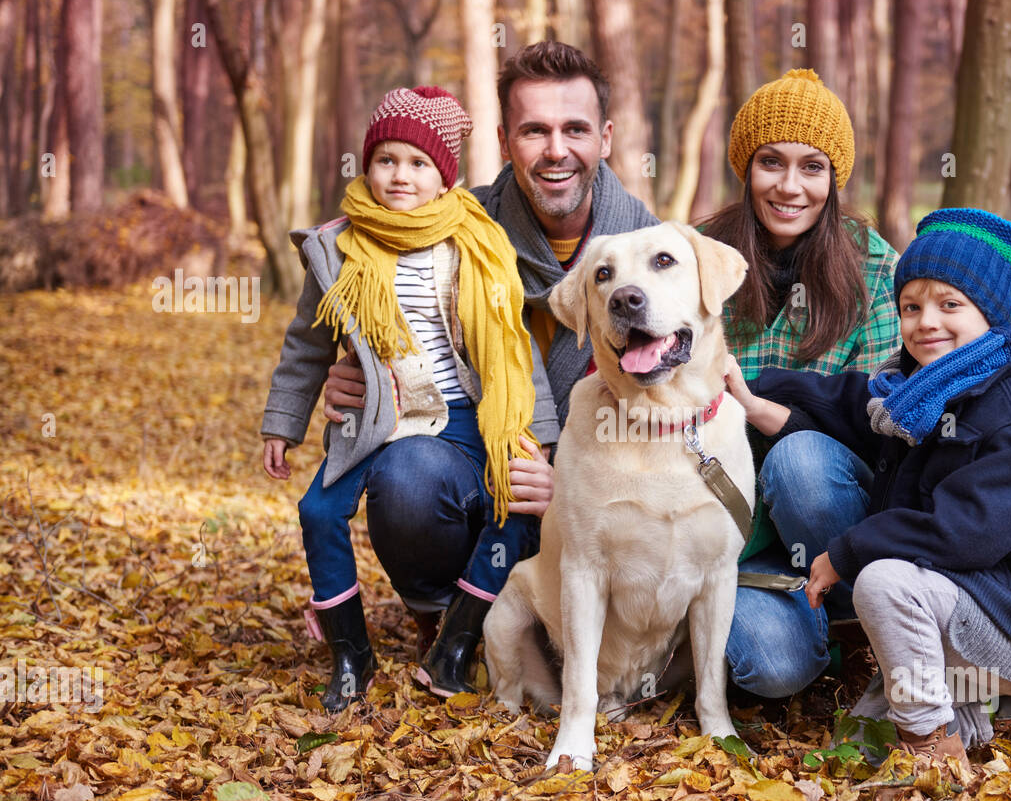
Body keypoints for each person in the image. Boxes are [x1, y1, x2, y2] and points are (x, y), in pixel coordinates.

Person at [320, 43, 658, 695]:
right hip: (478, 476)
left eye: (575, 129)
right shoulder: (446, 230)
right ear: (505, 140)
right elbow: (382, 314)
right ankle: (447, 616)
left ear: (607, 138)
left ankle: (580, 629)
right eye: (535, 130)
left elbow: (672, 419)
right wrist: (357, 372)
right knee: (408, 475)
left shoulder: (650, 251)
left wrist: (566, 475)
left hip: (599, 503)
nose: (555, 149)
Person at [727, 208, 1011, 767]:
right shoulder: (918, 394)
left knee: (881, 582)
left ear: (991, 316)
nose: (927, 321)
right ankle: (993, 707)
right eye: (911, 306)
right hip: (960, 603)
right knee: (856, 742)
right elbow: (845, 402)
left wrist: (845, 552)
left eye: (951, 305)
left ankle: (935, 748)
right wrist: (753, 392)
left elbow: (965, 533)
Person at [260, 85, 544, 711]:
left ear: (446, 177)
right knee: (318, 512)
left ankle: (458, 641)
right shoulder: (338, 247)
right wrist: (284, 422)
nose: (400, 176)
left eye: (419, 164)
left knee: (514, 504)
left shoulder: (476, 242)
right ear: (366, 165)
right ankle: (349, 654)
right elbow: (307, 344)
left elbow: (511, 345)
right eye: (386, 160)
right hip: (377, 414)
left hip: (465, 412)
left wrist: (538, 439)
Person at [705, 69, 901, 699]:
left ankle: (853, 613)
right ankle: (795, 627)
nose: (790, 186)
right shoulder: (703, 254)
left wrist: (770, 410)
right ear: (747, 167)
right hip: (726, 520)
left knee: (800, 462)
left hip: (830, 509)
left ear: (833, 178)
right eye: (771, 163)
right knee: (771, 666)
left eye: (812, 167)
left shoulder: (872, 265)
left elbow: (884, 419)